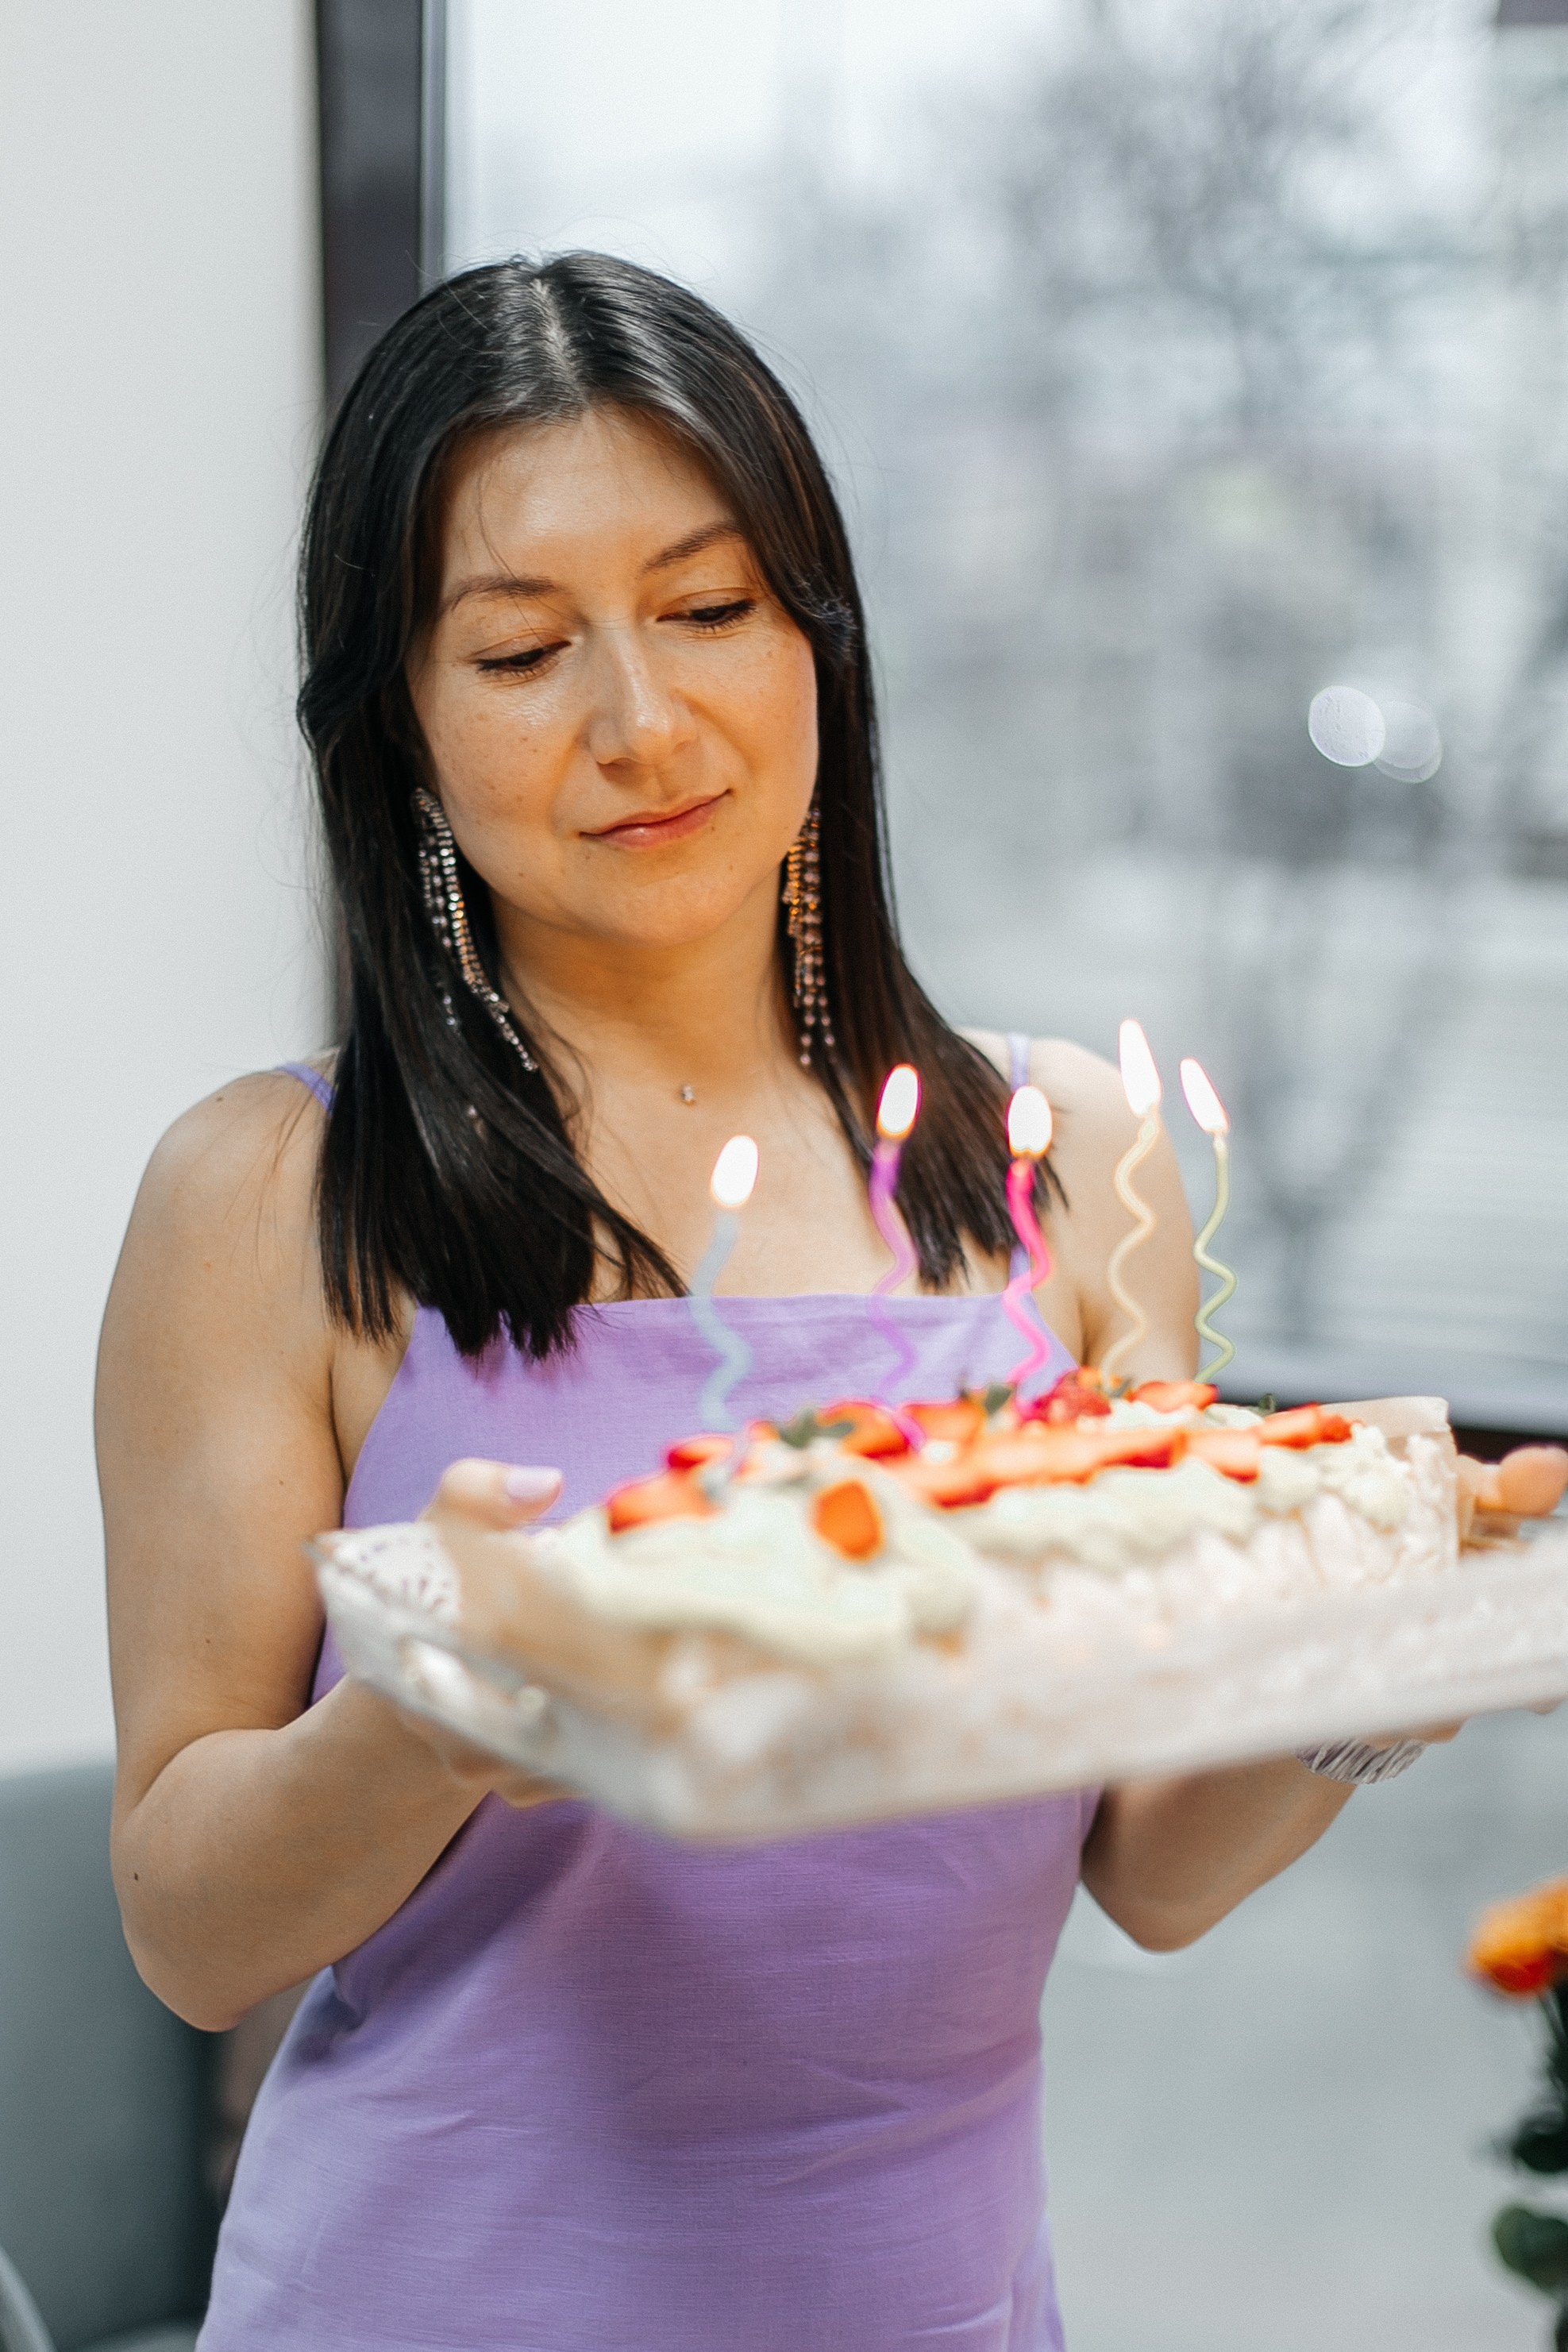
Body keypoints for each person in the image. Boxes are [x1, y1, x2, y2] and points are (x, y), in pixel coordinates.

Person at [98, 254, 1403, 2352]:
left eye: (710, 609)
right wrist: (429, 1719)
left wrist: (1363, 1664)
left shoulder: (1069, 1159)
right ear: (401, 727)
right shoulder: (266, 1197)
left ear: (823, 638)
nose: (642, 721)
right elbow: (187, 1922)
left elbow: (1147, 1868)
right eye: (524, 649)